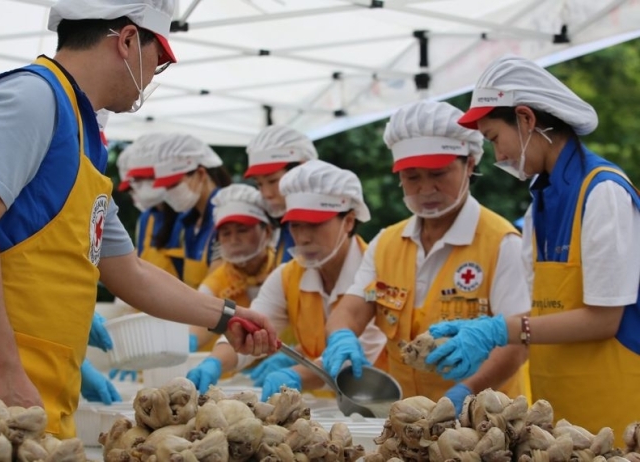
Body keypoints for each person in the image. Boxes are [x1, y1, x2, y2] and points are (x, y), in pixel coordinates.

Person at [0, 0, 276, 438]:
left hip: (38, 402)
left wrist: (227, 316)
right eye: (158, 59)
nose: (154, 75)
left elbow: (131, 273)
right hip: (4, 395)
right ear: (126, 40)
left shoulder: (85, 135)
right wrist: (3, 366)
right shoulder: (33, 99)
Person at [425, 55, 640, 444]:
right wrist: (483, 332)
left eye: (493, 138)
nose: (498, 156)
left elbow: (603, 319)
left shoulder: (603, 192)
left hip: (616, 413)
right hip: (558, 416)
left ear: (525, 119)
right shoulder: (539, 206)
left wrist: (498, 330)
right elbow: (547, 309)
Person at [321, 100, 530, 413]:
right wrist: (340, 336)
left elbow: (519, 341)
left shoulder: (501, 243)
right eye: (412, 176)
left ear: (470, 164)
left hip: (486, 420)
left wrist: (467, 390)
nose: (426, 188)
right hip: (409, 421)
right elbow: (350, 311)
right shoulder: (387, 243)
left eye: (439, 173)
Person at [187, 160, 386, 400]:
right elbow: (251, 325)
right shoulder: (287, 277)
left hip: (382, 404)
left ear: (349, 221)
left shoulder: (377, 273)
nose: (303, 237)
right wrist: (214, 362)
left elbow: (356, 355)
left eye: (315, 225)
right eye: (296, 225)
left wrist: (296, 375)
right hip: (325, 406)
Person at [191, 184, 275, 351]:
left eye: (242, 230)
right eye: (226, 233)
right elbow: (199, 319)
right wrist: (189, 340)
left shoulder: (283, 270)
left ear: (267, 231)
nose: (234, 239)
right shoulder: (216, 281)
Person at [152, 133, 232, 288]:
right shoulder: (189, 222)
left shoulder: (225, 215)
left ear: (201, 173)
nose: (169, 193)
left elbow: (215, 284)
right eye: (166, 187)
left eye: (174, 185)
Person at [244, 125, 318, 266]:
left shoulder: (318, 229)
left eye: (273, 181)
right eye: (259, 184)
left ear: (302, 169)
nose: (266, 194)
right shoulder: (286, 225)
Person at [116, 134, 184, 278]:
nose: (137, 190)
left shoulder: (185, 217)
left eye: (146, 179)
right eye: (135, 184)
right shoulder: (147, 218)